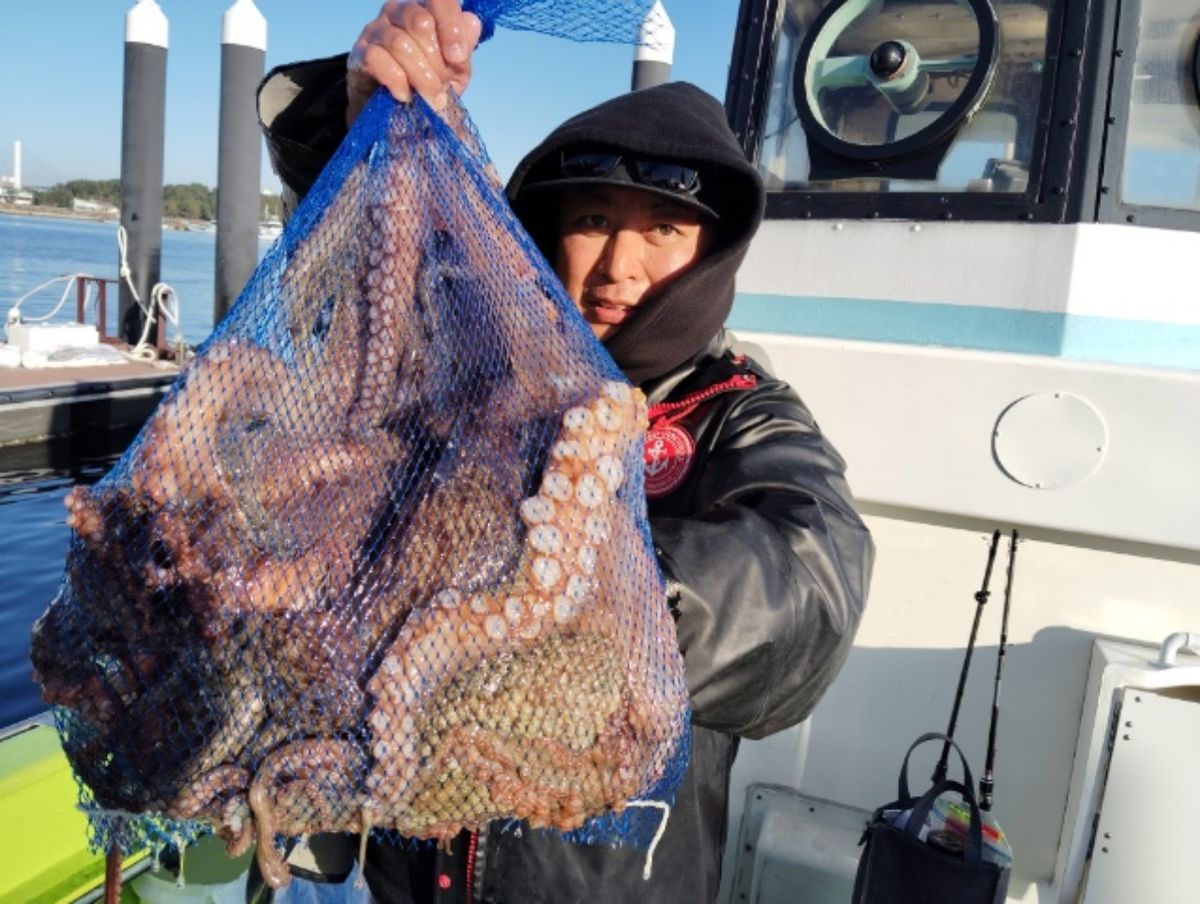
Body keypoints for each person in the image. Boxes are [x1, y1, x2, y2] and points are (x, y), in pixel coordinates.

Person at [255, 2, 874, 901]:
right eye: (593, 217)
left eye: (663, 229)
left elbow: (809, 586)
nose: (620, 264)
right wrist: (362, 118)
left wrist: (579, 599)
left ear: (712, 250)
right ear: (547, 230)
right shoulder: (468, 376)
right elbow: (373, 281)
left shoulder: (740, 419)